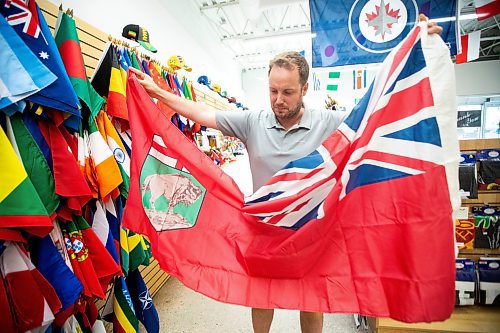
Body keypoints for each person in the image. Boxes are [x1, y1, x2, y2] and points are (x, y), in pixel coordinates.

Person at [129, 20, 443, 333]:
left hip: (309, 231)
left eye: (288, 92)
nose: (279, 100)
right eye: (273, 91)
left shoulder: (329, 122)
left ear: (305, 89)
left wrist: (417, 51)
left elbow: (377, 111)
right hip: (261, 228)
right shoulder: (252, 121)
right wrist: (157, 91)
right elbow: (200, 114)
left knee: (311, 299)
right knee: (261, 295)